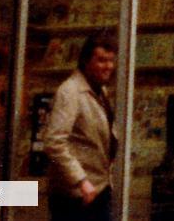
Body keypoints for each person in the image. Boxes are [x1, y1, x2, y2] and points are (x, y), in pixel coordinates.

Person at [43, 34, 118, 221]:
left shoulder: (100, 91)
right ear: (86, 61)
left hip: (97, 187)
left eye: (111, 61)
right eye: (101, 60)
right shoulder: (70, 92)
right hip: (77, 194)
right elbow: (54, 141)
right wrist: (81, 180)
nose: (108, 66)